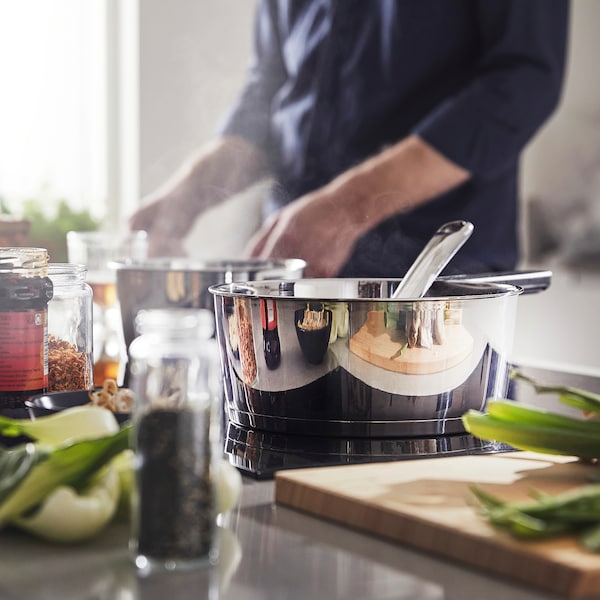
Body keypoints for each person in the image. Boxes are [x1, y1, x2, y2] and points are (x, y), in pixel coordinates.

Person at [130, 0, 569, 278]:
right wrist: (187, 195)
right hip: (293, 278)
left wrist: (346, 209)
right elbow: (271, 89)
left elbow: (524, 82)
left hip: (433, 283)